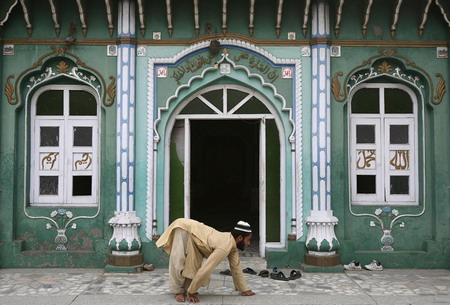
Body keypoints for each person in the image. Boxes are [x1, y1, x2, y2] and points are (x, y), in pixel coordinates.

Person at [155, 218, 256, 303]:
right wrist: (192, 291)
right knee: (179, 260)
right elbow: (206, 269)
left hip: (196, 239)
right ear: (239, 238)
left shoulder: (232, 246)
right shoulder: (224, 246)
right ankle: (178, 291)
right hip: (184, 228)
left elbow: (236, 268)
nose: (249, 243)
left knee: (192, 265)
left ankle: (186, 290)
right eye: (248, 240)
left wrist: (244, 290)